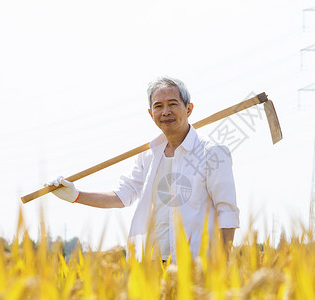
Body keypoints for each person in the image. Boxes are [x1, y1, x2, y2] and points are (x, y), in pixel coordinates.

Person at [46, 76, 240, 262]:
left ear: (188, 109)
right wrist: (76, 195)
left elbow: (227, 210)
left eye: (173, 104)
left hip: (197, 263)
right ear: (150, 114)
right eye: (158, 106)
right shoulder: (148, 155)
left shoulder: (212, 153)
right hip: (152, 262)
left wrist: (223, 262)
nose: (165, 112)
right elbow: (123, 196)